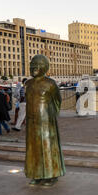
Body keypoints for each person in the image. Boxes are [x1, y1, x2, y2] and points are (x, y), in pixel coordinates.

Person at [24, 55, 65, 187]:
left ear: (45, 67)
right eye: (32, 64)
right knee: (33, 147)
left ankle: (50, 175)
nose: (34, 67)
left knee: (47, 147)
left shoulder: (50, 83)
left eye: (38, 64)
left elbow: (58, 100)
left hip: (47, 121)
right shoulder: (28, 84)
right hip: (32, 121)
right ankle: (36, 174)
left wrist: (51, 115)